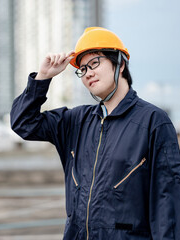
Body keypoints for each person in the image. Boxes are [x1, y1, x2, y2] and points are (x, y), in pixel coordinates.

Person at [10, 27, 180, 239]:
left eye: (95, 63)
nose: (88, 73)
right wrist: (43, 77)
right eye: (82, 69)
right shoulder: (76, 121)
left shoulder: (153, 122)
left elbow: (167, 203)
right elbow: (23, 123)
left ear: (120, 64)